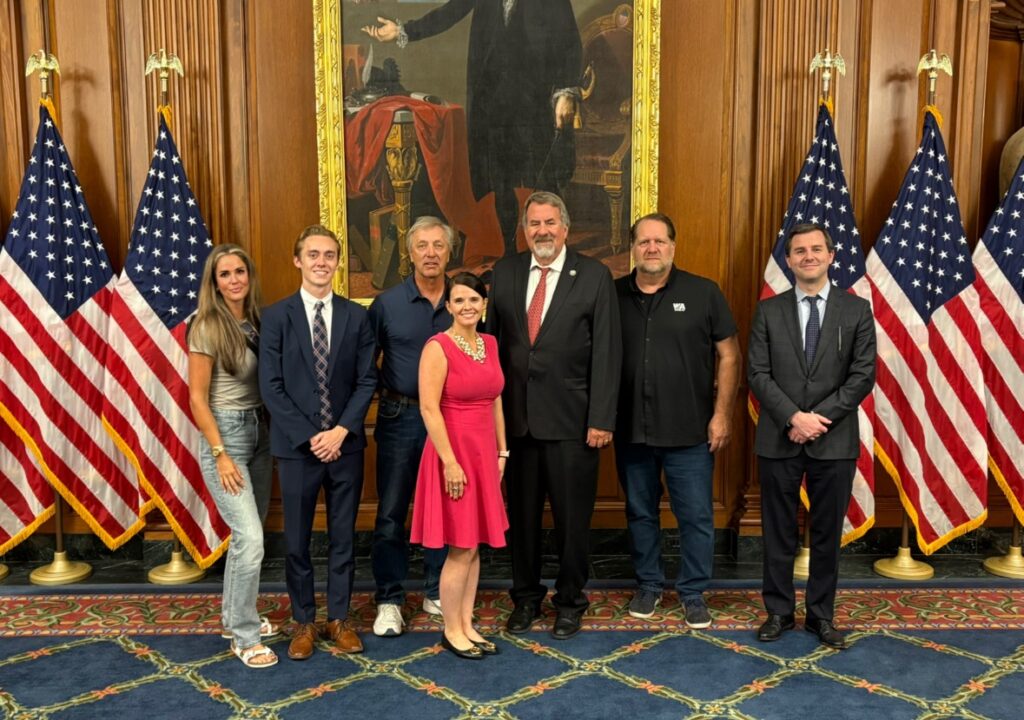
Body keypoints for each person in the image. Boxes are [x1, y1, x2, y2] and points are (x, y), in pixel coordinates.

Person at [487, 191, 621, 639]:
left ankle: (569, 601)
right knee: (521, 521)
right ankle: (525, 599)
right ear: (524, 230)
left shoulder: (594, 275)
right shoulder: (504, 273)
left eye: (549, 223)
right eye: (533, 224)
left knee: (571, 521)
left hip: (573, 424)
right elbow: (490, 348)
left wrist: (601, 418)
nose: (541, 231)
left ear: (565, 227)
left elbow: (607, 350)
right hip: (516, 425)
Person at [362, 0, 582, 256]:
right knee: (501, 182)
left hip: (535, 99)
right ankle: (509, 253)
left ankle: (555, 254)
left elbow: (570, 40)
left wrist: (567, 90)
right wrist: (403, 31)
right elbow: (449, 12)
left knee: (544, 180)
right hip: (492, 100)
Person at [747, 223, 876, 650]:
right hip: (779, 438)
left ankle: (821, 616)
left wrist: (816, 419)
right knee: (778, 532)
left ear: (831, 255)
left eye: (816, 249)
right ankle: (779, 612)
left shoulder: (855, 310)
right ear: (788, 260)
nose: (808, 256)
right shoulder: (768, 310)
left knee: (826, 535)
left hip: (834, 440)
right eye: (799, 250)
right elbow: (758, 374)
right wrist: (792, 418)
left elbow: (862, 376)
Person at [615, 214, 740, 628]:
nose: (652, 248)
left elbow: (729, 355)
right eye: (644, 241)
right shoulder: (612, 295)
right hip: (632, 428)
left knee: (696, 515)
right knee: (640, 512)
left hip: (690, 430)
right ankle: (649, 583)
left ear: (673, 246)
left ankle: (692, 591)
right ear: (632, 247)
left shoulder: (703, 293)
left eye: (660, 241)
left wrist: (722, 414)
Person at [259, 225, 377, 660]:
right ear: (298, 260)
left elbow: (367, 380)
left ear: (338, 261)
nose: (322, 262)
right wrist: (312, 437)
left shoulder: (357, 316)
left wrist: (341, 431)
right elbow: (271, 387)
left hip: (345, 447)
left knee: (343, 538)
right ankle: (304, 621)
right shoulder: (275, 317)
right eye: (313, 254)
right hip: (296, 450)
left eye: (330, 255)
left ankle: (339, 618)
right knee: (297, 541)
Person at [411, 272, 509, 659]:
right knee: (460, 546)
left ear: (484, 305)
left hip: (484, 454)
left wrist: (502, 453)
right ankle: (451, 630)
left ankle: (467, 624)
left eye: (474, 300)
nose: (467, 306)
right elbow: (428, 408)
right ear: (448, 306)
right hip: (452, 455)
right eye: (459, 300)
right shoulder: (437, 347)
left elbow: (496, 399)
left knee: (475, 545)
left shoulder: (490, 343)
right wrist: (450, 462)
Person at [188, 244, 277, 669]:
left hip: (261, 433)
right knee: (251, 539)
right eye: (225, 274)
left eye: (240, 271)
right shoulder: (206, 325)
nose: (235, 279)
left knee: (249, 535)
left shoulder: (258, 321)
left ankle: (231, 617)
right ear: (214, 282)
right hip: (226, 436)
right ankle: (244, 636)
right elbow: (196, 398)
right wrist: (220, 453)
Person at [367, 217, 453, 637]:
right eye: (423, 246)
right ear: (410, 252)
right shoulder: (387, 304)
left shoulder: (465, 299)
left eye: (438, 245)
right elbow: (367, 368)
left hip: (452, 419)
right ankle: (389, 599)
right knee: (391, 511)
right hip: (400, 417)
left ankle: (436, 590)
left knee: (444, 508)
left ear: (449, 252)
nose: (431, 253)